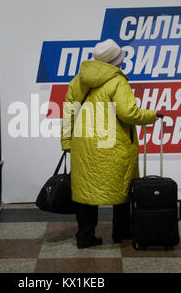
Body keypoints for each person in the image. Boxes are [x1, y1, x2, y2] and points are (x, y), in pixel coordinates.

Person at [61, 39, 163, 249]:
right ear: (117, 61)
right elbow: (129, 114)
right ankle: (121, 233)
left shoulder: (77, 80)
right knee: (122, 188)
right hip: (113, 144)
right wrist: (153, 116)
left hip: (83, 145)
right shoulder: (117, 81)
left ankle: (85, 236)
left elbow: (68, 111)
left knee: (86, 191)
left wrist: (66, 141)